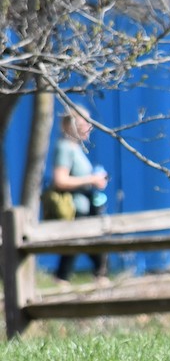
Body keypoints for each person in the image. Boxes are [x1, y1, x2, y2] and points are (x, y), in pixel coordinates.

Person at [49, 108, 109, 284]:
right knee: (81, 245)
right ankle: (94, 277)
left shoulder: (75, 148)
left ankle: (65, 279)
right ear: (71, 125)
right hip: (74, 208)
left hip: (84, 207)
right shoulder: (65, 148)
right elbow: (60, 180)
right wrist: (91, 179)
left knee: (82, 245)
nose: (89, 127)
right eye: (85, 123)